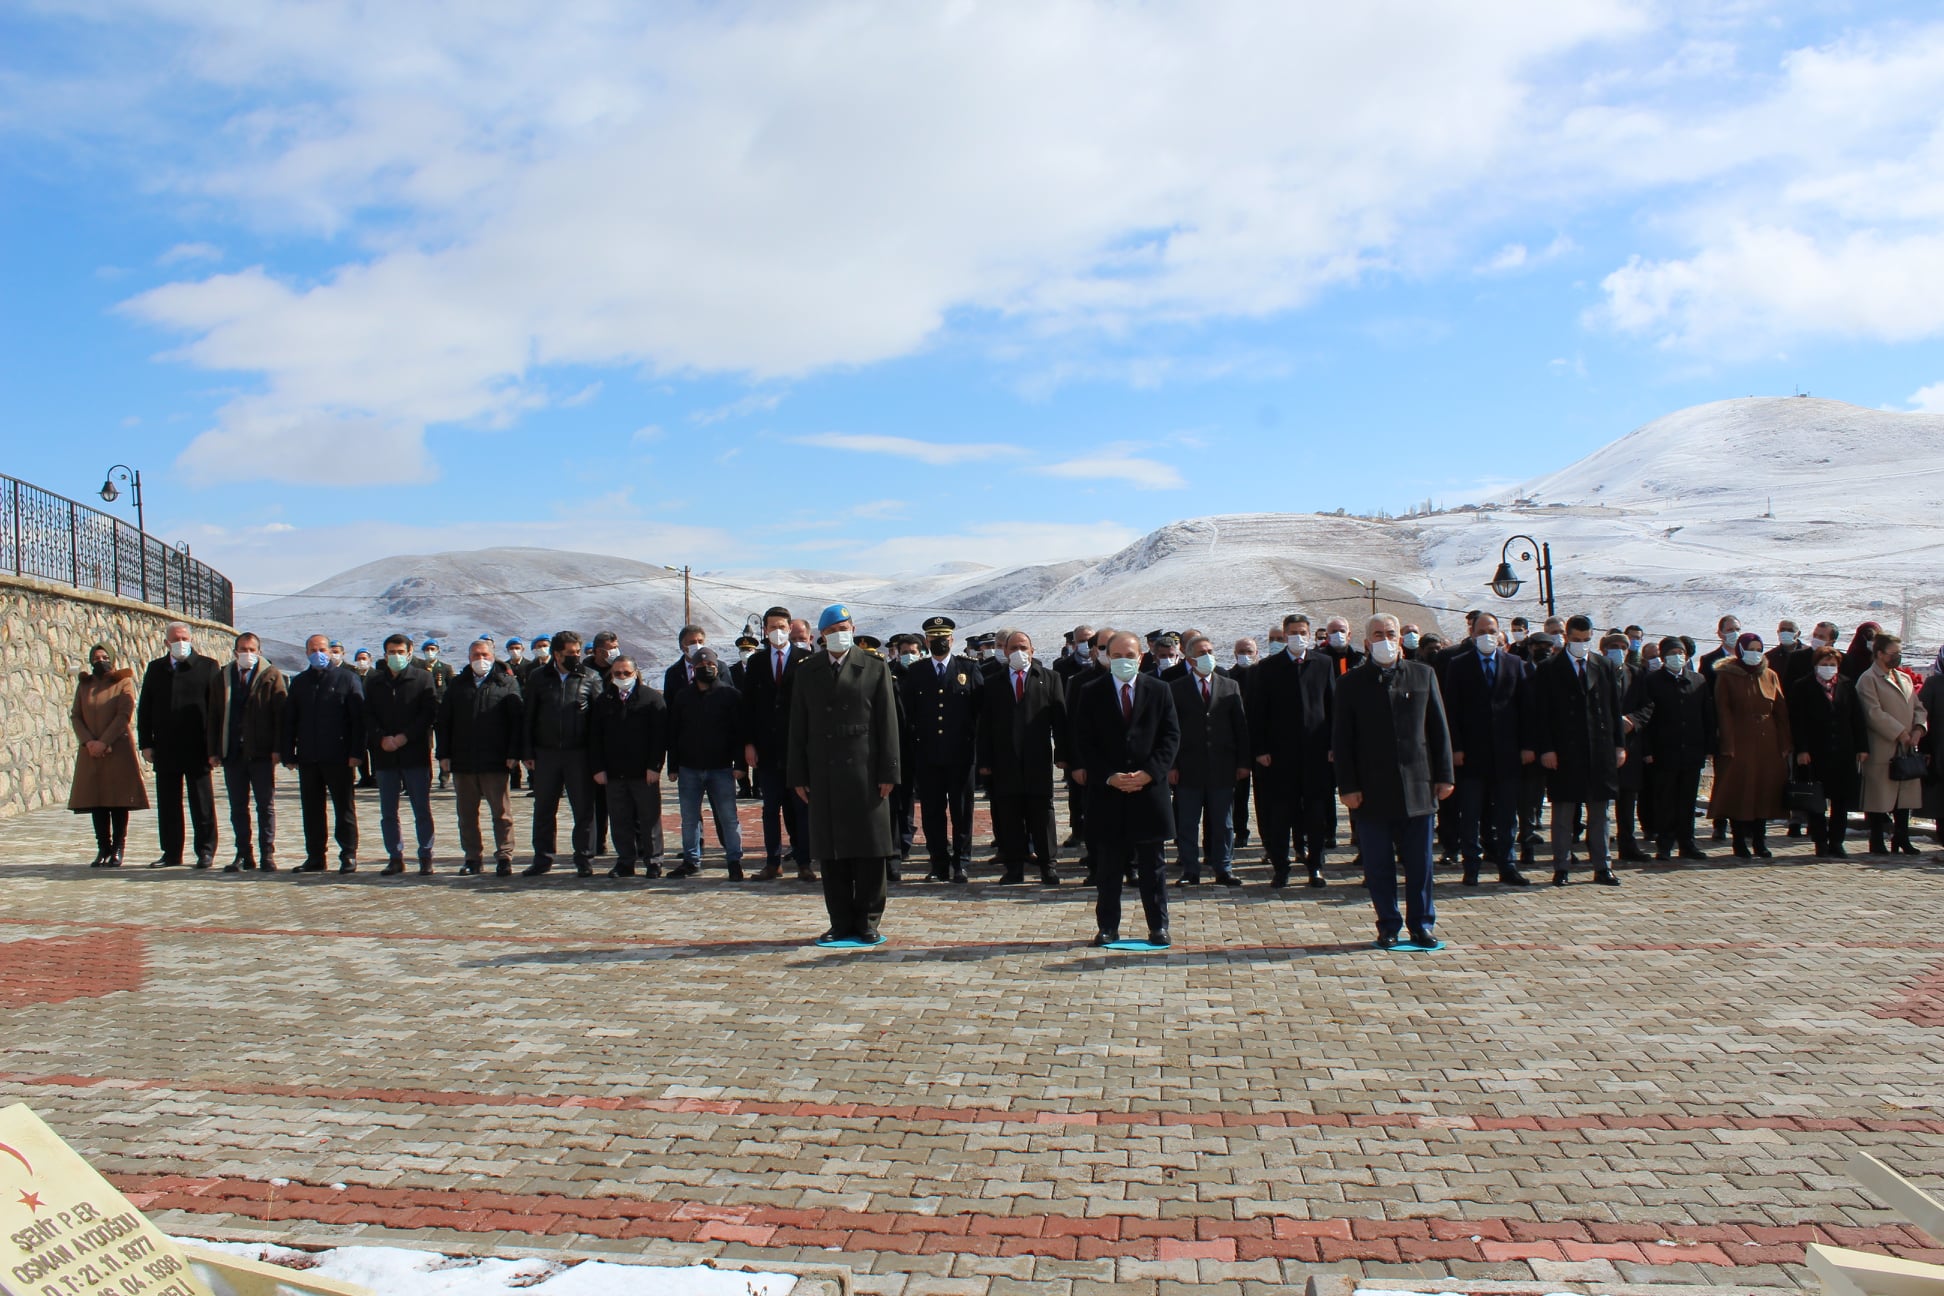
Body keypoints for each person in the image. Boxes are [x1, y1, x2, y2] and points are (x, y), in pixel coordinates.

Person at [1332, 614, 1454, 951]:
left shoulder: (1423, 674)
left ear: (1400, 638)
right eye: (1377, 635)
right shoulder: (1350, 683)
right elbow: (1342, 740)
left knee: (1420, 864)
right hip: (1371, 790)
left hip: (1418, 786)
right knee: (1378, 865)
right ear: (1366, 642)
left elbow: (1438, 730)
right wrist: (1347, 786)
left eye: (1390, 633)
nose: (1384, 640)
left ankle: (1422, 924)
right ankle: (1387, 924)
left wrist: (1445, 776)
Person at [788, 605, 902, 945]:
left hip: (866, 770)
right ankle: (839, 922)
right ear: (822, 636)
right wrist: (798, 774)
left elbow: (887, 722)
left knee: (869, 849)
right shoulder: (808, 670)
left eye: (845, 627)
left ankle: (868, 920)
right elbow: (798, 725)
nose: (840, 633)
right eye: (833, 629)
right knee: (832, 851)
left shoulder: (874, 666)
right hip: (823, 771)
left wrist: (889, 771)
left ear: (853, 629)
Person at [1070, 630, 1180, 948]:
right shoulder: (1091, 691)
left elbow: (1171, 736)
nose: (1123, 661)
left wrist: (1149, 773)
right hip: (1108, 793)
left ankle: (1158, 926)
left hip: (1149, 792)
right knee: (1108, 867)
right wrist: (1108, 776)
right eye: (1116, 656)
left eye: (1129, 656)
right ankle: (1108, 926)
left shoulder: (1159, 689)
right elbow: (1084, 740)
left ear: (1140, 657)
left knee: (1153, 867)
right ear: (1107, 657)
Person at [1532, 614, 1625, 887]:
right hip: (1564, 750)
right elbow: (1541, 714)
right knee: (1563, 814)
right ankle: (1561, 866)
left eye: (1586, 640)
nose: (1581, 644)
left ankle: (1603, 866)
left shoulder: (1603, 665)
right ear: (1566, 637)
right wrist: (1546, 749)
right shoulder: (1549, 668)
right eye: (1576, 639)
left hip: (1598, 749)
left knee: (1600, 813)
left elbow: (1614, 708)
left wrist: (1619, 745)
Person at [1441, 612, 1533, 887]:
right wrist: (1456, 748)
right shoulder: (1459, 665)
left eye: (1491, 631)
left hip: (1507, 753)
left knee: (1506, 814)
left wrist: (1527, 745)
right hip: (1472, 754)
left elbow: (1526, 709)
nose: (1487, 636)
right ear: (1472, 634)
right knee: (1470, 813)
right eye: (1481, 632)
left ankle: (1507, 865)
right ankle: (1471, 866)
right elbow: (1451, 710)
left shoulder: (1514, 664)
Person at [1249, 614, 1334, 887]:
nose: (1298, 637)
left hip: (1316, 754)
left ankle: (1315, 865)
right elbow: (1258, 712)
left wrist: (1332, 745)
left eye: (1303, 632)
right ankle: (1281, 867)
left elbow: (1332, 705)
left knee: (1316, 814)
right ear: (1285, 636)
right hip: (1279, 755)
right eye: (1293, 633)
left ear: (1309, 634)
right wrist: (1260, 749)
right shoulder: (1268, 667)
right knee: (1280, 814)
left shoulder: (1323, 663)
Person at [977, 629, 1067, 885]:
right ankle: (1014, 868)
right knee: (1010, 815)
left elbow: (1060, 720)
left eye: (1023, 648)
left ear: (1032, 651)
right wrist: (984, 761)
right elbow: (985, 725)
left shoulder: (1049, 678)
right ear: (1005, 651)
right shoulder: (993, 682)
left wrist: (1063, 754)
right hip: (1004, 760)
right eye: (1013, 648)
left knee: (1042, 814)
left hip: (1037, 759)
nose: (1018, 652)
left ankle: (1048, 866)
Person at [135, 621, 223, 869]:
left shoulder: (208, 666)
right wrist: (146, 743)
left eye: (184, 638)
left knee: (202, 802)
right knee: (168, 803)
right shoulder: (156, 668)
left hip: (198, 747)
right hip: (166, 746)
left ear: (191, 640)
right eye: (176, 639)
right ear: (167, 643)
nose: (181, 643)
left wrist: (215, 747)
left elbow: (216, 710)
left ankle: (205, 851)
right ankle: (171, 852)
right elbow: (145, 708)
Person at [901, 615, 982, 883]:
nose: (939, 642)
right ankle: (938, 863)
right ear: (926, 641)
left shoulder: (968, 668)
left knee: (962, 811)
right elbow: (908, 713)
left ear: (952, 639)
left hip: (961, 755)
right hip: (928, 755)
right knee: (932, 812)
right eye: (934, 638)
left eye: (944, 638)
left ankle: (961, 862)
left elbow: (979, 711)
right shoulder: (917, 672)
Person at [1168, 634, 1249, 887]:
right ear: (1190, 658)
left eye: (1210, 651)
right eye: (1202, 653)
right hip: (1188, 769)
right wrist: (1172, 765)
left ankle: (1223, 868)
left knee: (1223, 823)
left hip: (1222, 767)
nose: (1208, 656)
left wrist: (1243, 762)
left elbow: (1240, 727)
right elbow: (1170, 730)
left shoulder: (1229, 685)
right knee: (1188, 823)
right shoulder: (1176, 688)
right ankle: (1190, 870)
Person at [439, 638, 525, 876]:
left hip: (495, 760)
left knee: (501, 813)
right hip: (463, 760)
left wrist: (513, 753)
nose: (480, 660)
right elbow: (445, 721)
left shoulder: (505, 683)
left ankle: (504, 856)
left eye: (484, 655)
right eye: (476, 655)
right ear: (469, 658)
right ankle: (472, 857)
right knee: (467, 815)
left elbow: (516, 721)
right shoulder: (457, 685)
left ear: (493, 656)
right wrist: (443, 754)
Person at [522, 629, 604, 877]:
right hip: (546, 753)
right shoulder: (538, 677)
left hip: (579, 754)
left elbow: (600, 720)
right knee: (544, 808)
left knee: (584, 809)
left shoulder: (590, 677)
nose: (576, 656)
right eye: (570, 653)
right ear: (557, 654)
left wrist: (597, 757)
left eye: (578, 652)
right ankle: (543, 857)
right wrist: (527, 751)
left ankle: (584, 857)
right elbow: (529, 716)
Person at [741, 606, 813, 881]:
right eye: (772, 627)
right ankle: (773, 862)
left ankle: (804, 861)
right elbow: (748, 705)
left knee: (801, 808)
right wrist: (749, 743)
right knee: (770, 809)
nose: (777, 631)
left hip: (798, 749)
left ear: (789, 627)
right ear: (765, 630)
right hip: (767, 749)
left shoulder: (805, 660)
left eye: (782, 627)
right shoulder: (757, 662)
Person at [204, 631, 285, 871]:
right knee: (238, 806)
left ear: (259, 652)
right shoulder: (223, 677)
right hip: (233, 752)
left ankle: (267, 854)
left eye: (251, 650)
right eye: (243, 649)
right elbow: (214, 715)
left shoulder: (271, 675)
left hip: (261, 752)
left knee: (265, 805)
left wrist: (278, 748)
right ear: (235, 652)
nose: (247, 654)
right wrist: (213, 750)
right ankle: (243, 854)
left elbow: (280, 715)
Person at [284, 633, 364, 872]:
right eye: (313, 650)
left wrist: (357, 752)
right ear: (307, 653)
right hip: (309, 755)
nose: (317, 654)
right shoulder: (300, 682)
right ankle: (315, 856)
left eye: (322, 649)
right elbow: (290, 720)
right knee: (312, 809)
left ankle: (348, 854)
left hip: (339, 755)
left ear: (329, 651)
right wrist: (288, 753)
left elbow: (358, 720)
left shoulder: (347, 679)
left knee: (344, 807)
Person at [1708, 631, 1792, 858]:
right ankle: (1739, 841)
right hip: (1739, 739)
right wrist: (1728, 743)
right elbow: (1723, 711)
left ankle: (1759, 840)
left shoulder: (1770, 675)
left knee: (1764, 790)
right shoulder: (1727, 675)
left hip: (1767, 741)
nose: (1755, 654)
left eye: (1758, 650)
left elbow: (1780, 711)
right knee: (1740, 790)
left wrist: (1785, 742)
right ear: (1741, 650)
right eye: (1750, 649)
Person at [666, 646, 745, 879]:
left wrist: (741, 765)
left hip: (721, 768)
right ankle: (691, 860)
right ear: (693, 669)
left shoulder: (730, 696)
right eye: (701, 666)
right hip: (689, 768)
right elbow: (674, 732)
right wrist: (672, 766)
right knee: (689, 819)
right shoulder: (683, 697)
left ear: (717, 667)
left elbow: (739, 734)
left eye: (710, 665)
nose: (706, 668)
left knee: (728, 818)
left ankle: (734, 860)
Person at [364, 634, 439, 875]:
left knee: (421, 808)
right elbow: (367, 715)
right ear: (385, 654)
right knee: (388, 811)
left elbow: (428, 713)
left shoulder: (422, 678)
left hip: (414, 753)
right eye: (391, 652)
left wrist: (405, 736)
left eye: (400, 652)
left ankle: (426, 855)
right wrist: (381, 738)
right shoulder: (375, 682)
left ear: (409, 652)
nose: (395, 656)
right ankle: (395, 856)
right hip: (385, 755)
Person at [588, 655, 668, 878]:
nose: (622, 677)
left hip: (644, 772)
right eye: (617, 673)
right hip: (614, 772)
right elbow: (595, 737)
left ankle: (654, 861)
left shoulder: (651, 699)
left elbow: (659, 737)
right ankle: (625, 861)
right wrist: (598, 768)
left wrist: (655, 766)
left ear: (636, 673)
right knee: (619, 818)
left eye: (626, 673)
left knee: (649, 818)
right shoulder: (604, 700)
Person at [1786, 645, 1867, 857]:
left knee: (1841, 800)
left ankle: (1837, 841)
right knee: (1816, 800)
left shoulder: (1847, 685)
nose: (1829, 668)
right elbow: (1797, 721)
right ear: (1816, 665)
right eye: (1824, 664)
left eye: (1832, 664)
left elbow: (1857, 718)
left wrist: (1861, 747)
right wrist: (1802, 749)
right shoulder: (1802, 686)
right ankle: (1820, 841)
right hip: (1815, 752)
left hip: (1843, 751)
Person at [70, 643, 147, 867]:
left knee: (118, 800)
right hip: (91, 751)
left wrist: (104, 742)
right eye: (96, 658)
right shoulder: (85, 685)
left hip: (117, 749)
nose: (100, 661)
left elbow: (124, 714)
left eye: (104, 657)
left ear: (112, 658)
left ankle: (118, 848)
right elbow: (76, 716)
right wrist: (89, 742)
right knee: (98, 800)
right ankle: (103, 847)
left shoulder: (123, 682)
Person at [1638, 637, 1712, 860]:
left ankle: (1687, 843)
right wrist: (1647, 750)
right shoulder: (1652, 681)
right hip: (1664, 751)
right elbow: (1646, 718)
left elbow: (1707, 715)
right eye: (1671, 653)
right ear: (1663, 657)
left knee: (1687, 800)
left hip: (1692, 750)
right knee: (1665, 800)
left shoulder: (1698, 680)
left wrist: (1709, 746)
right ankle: (1664, 844)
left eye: (1680, 653)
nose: (1677, 657)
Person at [1855, 633, 1927, 854]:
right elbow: (1873, 713)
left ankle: (1901, 837)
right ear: (1879, 653)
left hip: (1906, 747)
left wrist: (1918, 728)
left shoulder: (1904, 678)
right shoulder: (1868, 679)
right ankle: (1877, 840)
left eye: (1899, 653)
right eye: (1893, 653)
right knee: (1880, 796)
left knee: (1904, 796)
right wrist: (1899, 733)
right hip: (1883, 746)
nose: (1897, 657)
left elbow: (1919, 708)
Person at [662, 624, 708, 700]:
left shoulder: (718, 667)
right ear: (682, 646)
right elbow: (669, 701)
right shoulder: (672, 673)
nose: (697, 646)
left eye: (700, 642)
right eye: (692, 643)